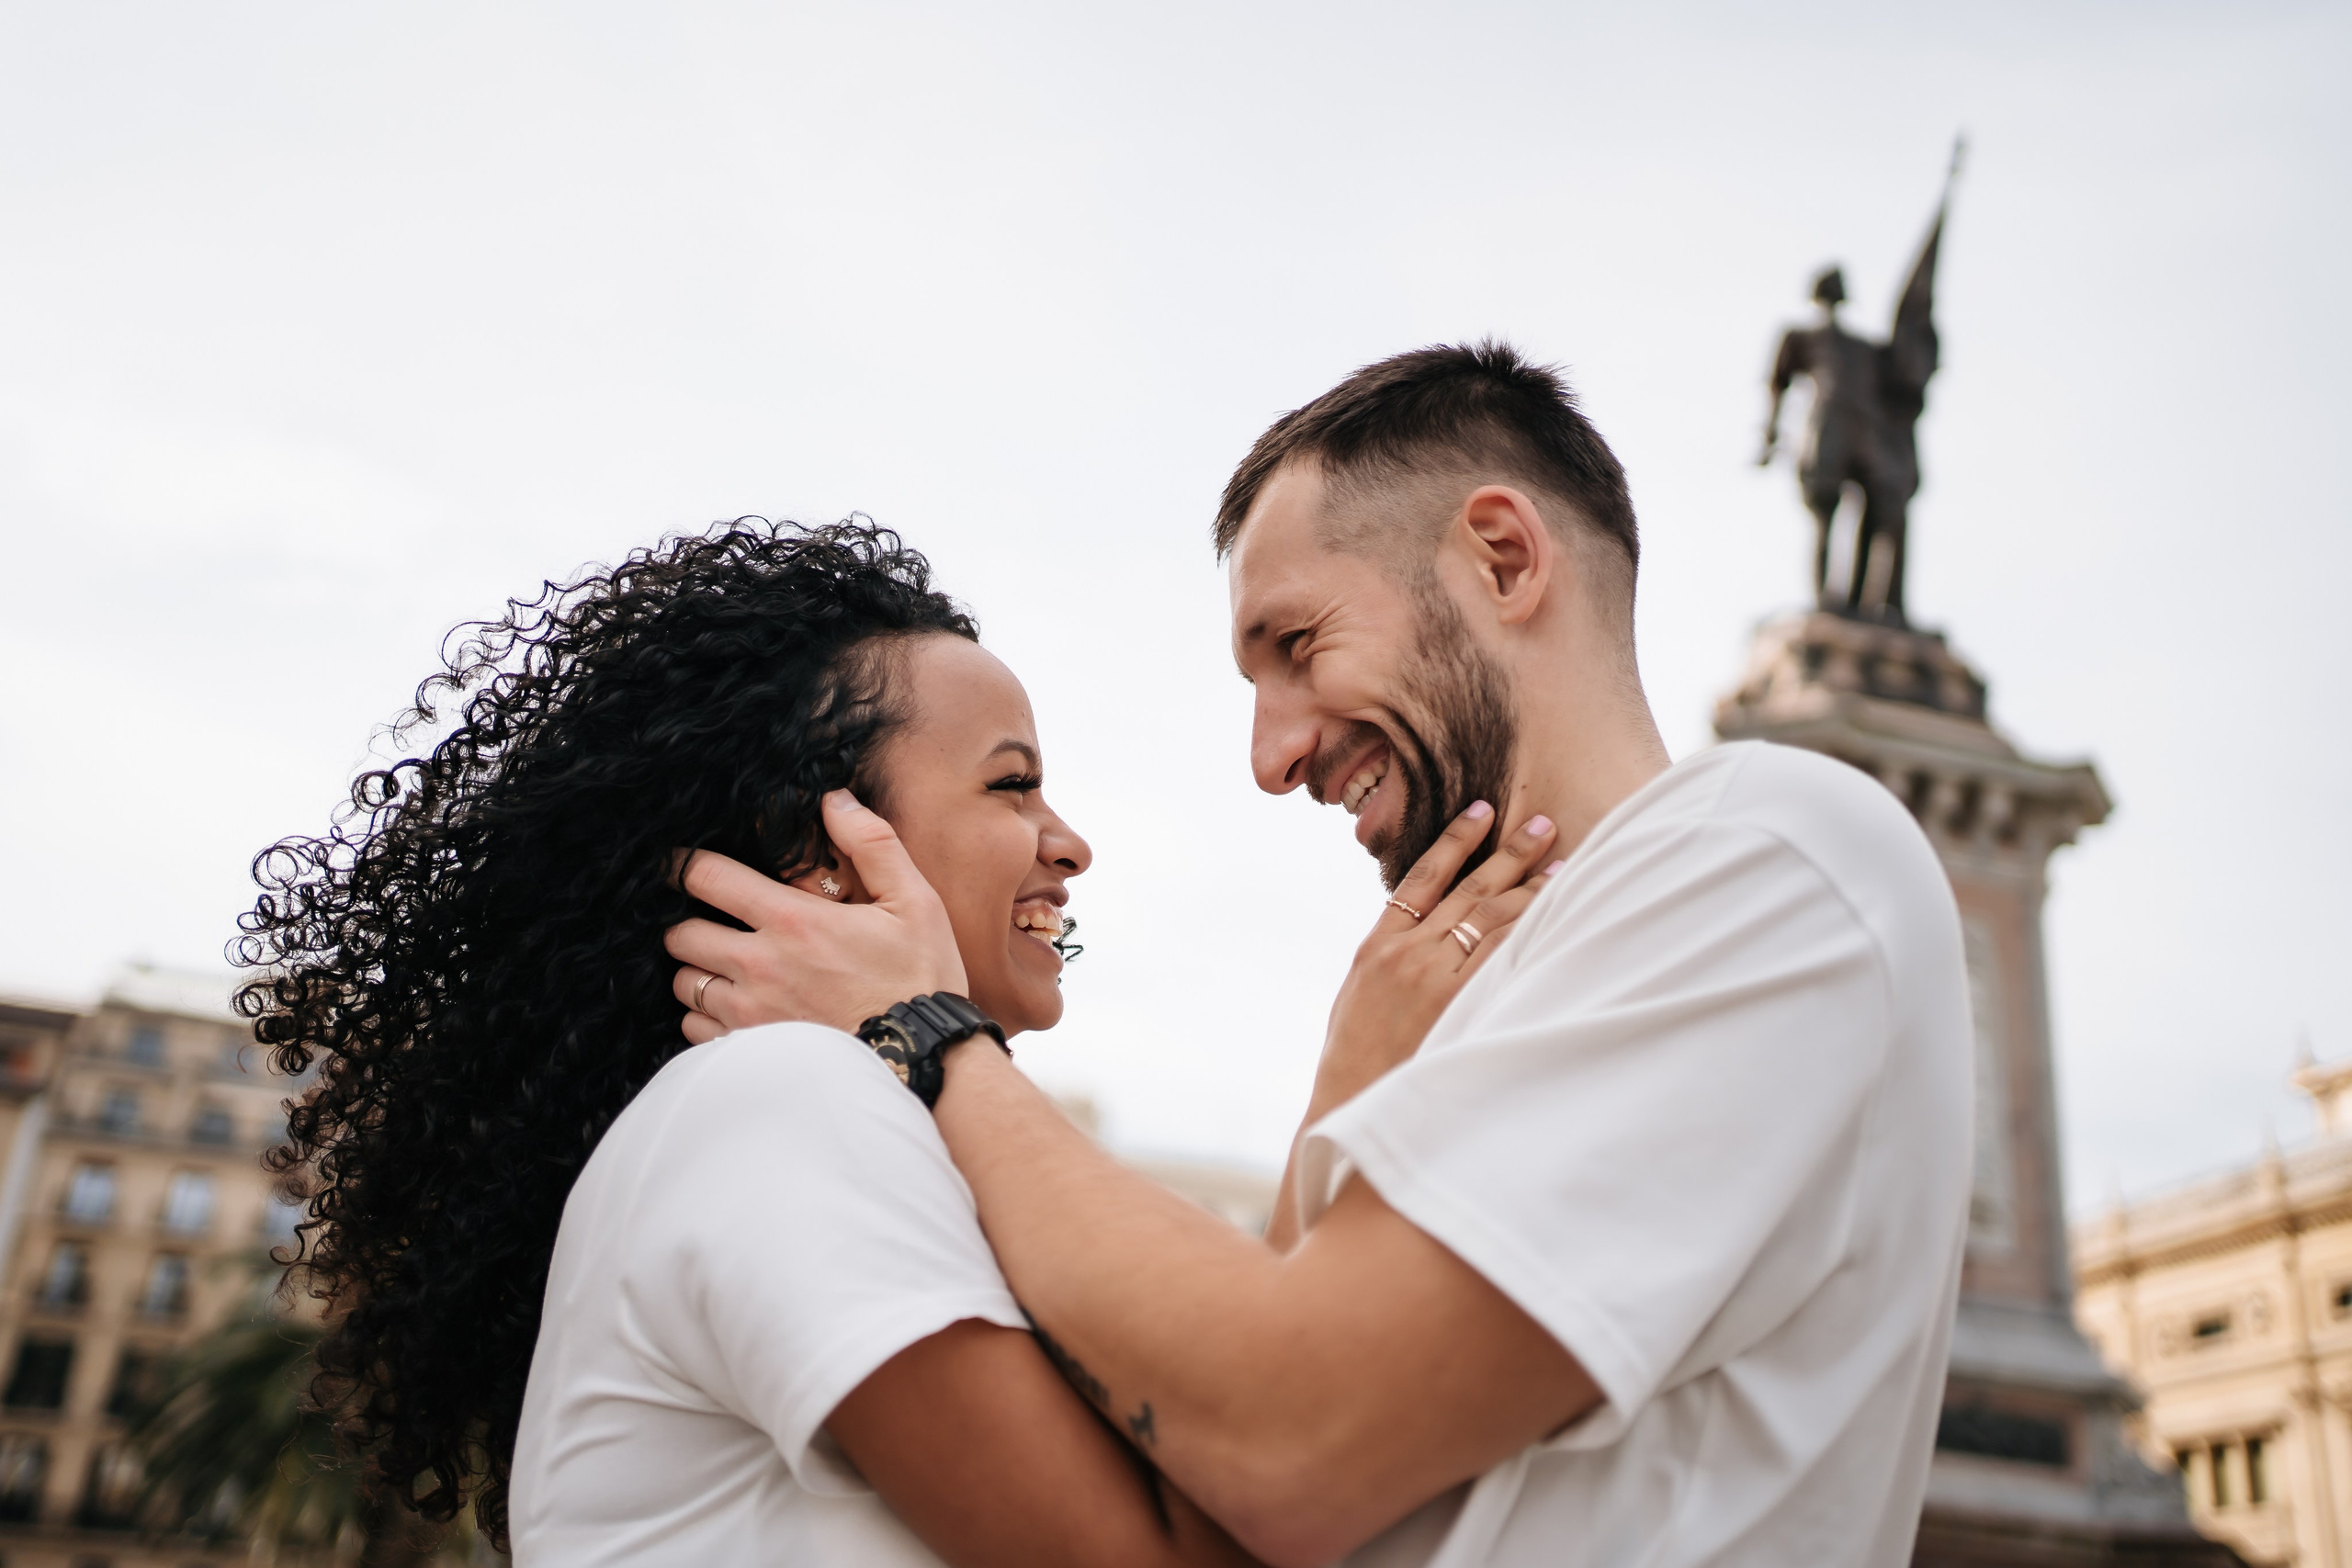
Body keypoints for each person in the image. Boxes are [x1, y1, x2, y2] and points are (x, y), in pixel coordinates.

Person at [673, 344, 1977, 1567]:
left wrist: (927, 1034)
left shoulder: (1770, 857)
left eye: (1296, 648)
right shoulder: (1490, 983)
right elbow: (1220, 1452)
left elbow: (1287, 1438)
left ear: (1505, 560)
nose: (1271, 756)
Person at [236, 519, 1543, 1566]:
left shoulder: (834, 1125)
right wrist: (1356, 1087)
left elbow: (1231, 1455)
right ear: (828, 857)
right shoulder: (780, 1098)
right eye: (1012, 784)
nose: (1070, 842)